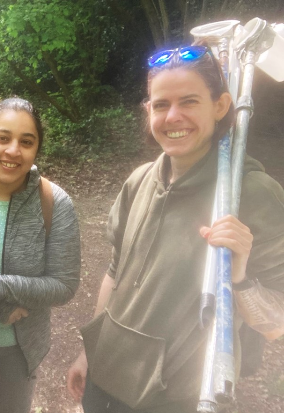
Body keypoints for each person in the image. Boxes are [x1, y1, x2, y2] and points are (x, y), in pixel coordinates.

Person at [66, 44, 284, 413]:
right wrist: (90, 352)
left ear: (220, 106)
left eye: (189, 101)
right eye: (161, 104)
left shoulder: (252, 194)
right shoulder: (138, 181)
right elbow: (115, 274)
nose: (173, 116)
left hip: (178, 398)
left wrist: (240, 277)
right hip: (105, 379)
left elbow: (275, 325)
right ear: (148, 110)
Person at [0, 97, 81, 413]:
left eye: (26, 142)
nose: (13, 151)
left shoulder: (54, 202)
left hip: (12, 355)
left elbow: (64, 285)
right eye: (3, 138)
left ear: (36, 149)